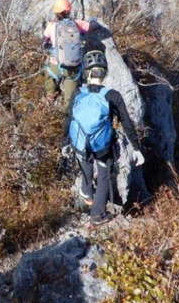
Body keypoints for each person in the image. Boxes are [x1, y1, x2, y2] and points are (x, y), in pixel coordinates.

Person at [62, 50, 145, 226]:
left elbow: (69, 119)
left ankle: (86, 190)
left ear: (87, 71)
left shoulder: (78, 93)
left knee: (85, 164)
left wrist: (65, 143)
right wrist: (136, 149)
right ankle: (97, 215)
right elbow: (127, 123)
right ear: (104, 71)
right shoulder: (112, 95)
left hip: (80, 144)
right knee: (104, 176)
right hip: (102, 147)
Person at [42, 0, 90, 110]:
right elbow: (91, 27)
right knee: (70, 100)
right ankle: (67, 111)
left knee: (49, 72)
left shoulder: (51, 25)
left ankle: (50, 95)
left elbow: (44, 40)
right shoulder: (77, 24)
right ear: (69, 11)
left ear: (56, 12)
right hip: (73, 67)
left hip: (56, 65)